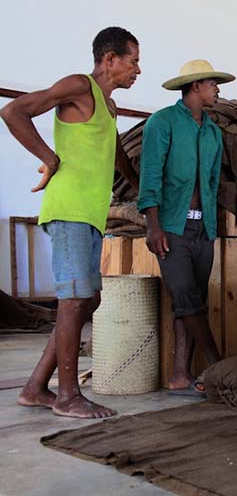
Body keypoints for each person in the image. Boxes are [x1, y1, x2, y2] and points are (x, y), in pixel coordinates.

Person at [1, 27, 141, 418]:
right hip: (69, 210)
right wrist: (52, 157)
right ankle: (67, 396)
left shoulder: (109, 108)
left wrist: (143, 194)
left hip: (91, 216)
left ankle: (34, 388)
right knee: (75, 300)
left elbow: (118, 159)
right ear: (110, 59)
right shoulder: (79, 86)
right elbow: (13, 111)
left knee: (86, 301)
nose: (138, 70)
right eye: (133, 61)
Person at [137, 59, 234, 394]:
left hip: (202, 230)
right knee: (187, 300)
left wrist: (213, 228)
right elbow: (149, 175)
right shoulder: (162, 123)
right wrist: (153, 226)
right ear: (196, 86)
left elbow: (210, 182)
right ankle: (219, 366)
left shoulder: (213, 132)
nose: (218, 90)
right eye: (213, 84)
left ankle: (180, 375)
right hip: (171, 228)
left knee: (193, 302)